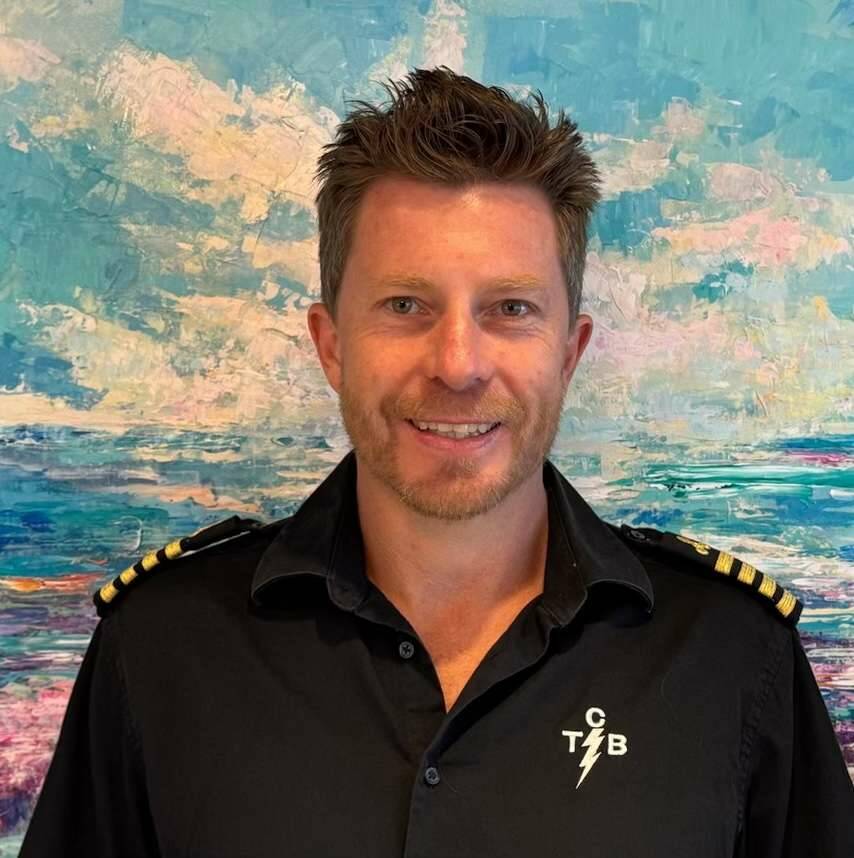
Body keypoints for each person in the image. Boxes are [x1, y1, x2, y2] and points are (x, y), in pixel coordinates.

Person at [20, 66, 853, 857]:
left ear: (569, 352)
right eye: (405, 304)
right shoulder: (160, 649)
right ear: (331, 345)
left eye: (511, 308)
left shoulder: (731, 659)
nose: (458, 364)